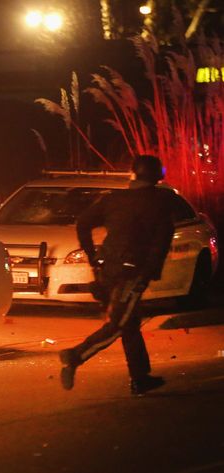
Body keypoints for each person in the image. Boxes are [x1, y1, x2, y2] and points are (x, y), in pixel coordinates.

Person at [59, 155, 175, 395]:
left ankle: (140, 378)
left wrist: (94, 258)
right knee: (119, 325)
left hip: (109, 271)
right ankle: (75, 356)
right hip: (132, 274)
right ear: (157, 176)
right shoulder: (160, 204)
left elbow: (82, 223)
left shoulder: (115, 199)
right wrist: (147, 273)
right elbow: (160, 243)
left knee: (130, 324)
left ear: (133, 174)